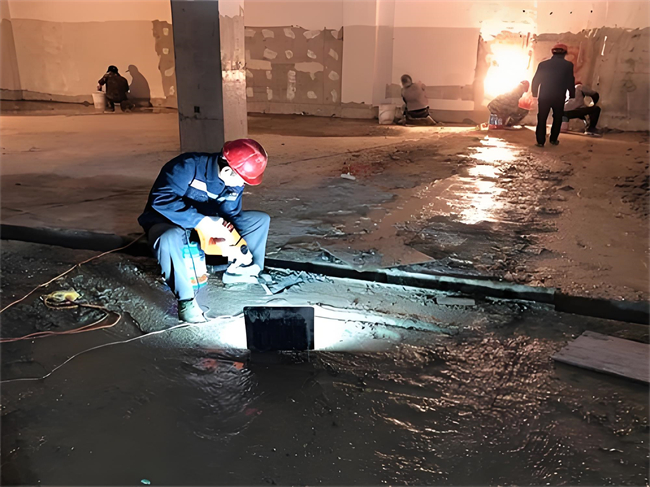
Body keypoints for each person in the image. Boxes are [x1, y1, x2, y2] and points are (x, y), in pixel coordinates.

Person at [138, 139, 270, 323]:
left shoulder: (234, 182)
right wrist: (201, 221)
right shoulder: (186, 166)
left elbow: (231, 213)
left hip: (207, 226)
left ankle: (242, 271)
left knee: (259, 221)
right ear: (227, 171)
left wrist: (232, 241)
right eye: (243, 180)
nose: (242, 185)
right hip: (168, 222)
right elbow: (161, 200)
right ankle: (186, 300)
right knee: (168, 238)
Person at [531, 43, 575, 147]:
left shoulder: (543, 64)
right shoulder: (568, 65)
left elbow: (536, 79)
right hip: (559, 96)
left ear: (552, 52)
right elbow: (570, 80)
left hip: (544, 96)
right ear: (565, 53)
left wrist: (534, 93)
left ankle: (540, 141)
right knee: (557, 118)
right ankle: (553, 139)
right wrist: (572, 94)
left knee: (542, 117)